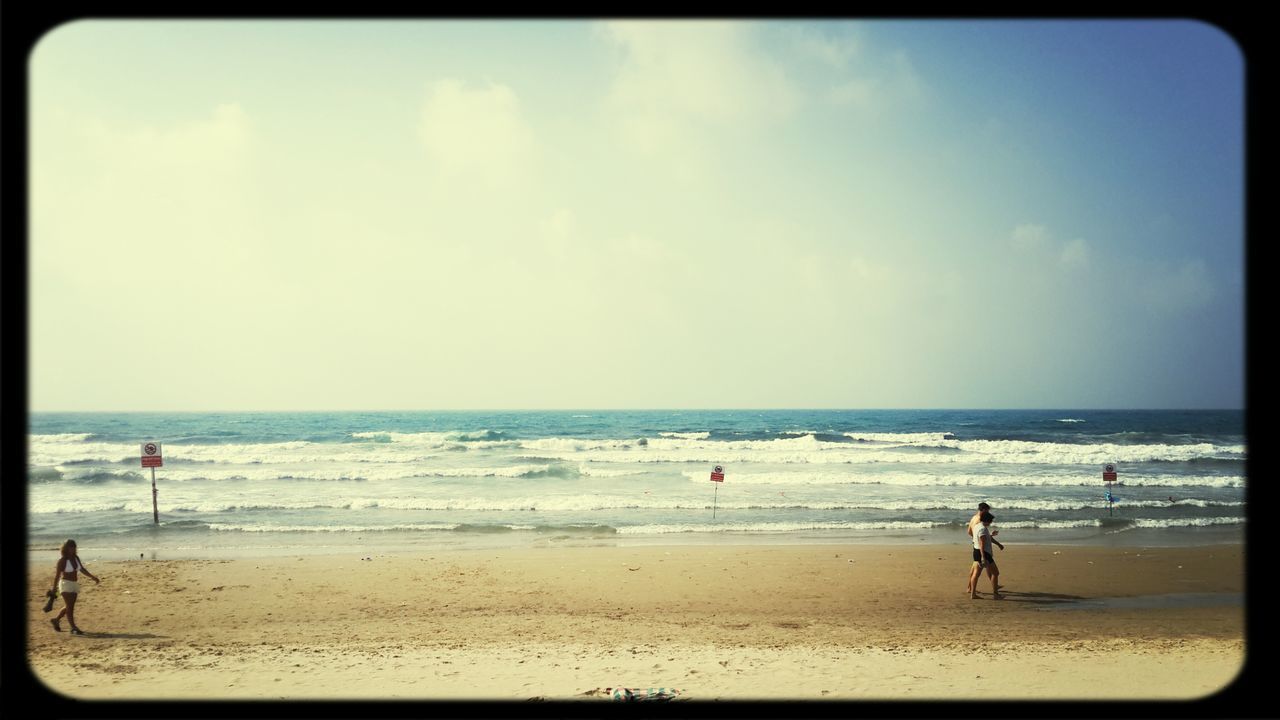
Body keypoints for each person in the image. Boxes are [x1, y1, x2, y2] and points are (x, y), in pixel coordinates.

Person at [49, 539, 100, 635]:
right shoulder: (62, 561)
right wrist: (54, 589)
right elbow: (57, 576)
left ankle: (56, 620)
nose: (72, 549)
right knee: (70, 607)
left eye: (74, 547)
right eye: (70, 547)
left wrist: (93, 577)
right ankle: (73, 627)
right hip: (65, 584)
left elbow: (82, 569)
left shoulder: (76, 557)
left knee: (69, 606)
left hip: (74, 584)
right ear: (66, 548)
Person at [968, 512, 1004, 600]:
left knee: (976, 574)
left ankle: (973, 594)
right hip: (984, 553)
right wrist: (983, 558)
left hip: (976, 551)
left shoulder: (977, 526)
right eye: (990, 521)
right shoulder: (983, 529)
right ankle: (995, 594)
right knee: (995, 573)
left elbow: (983, 538)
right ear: (987, 520)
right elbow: (982, 545)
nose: (991, 522)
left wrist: (996, 542)